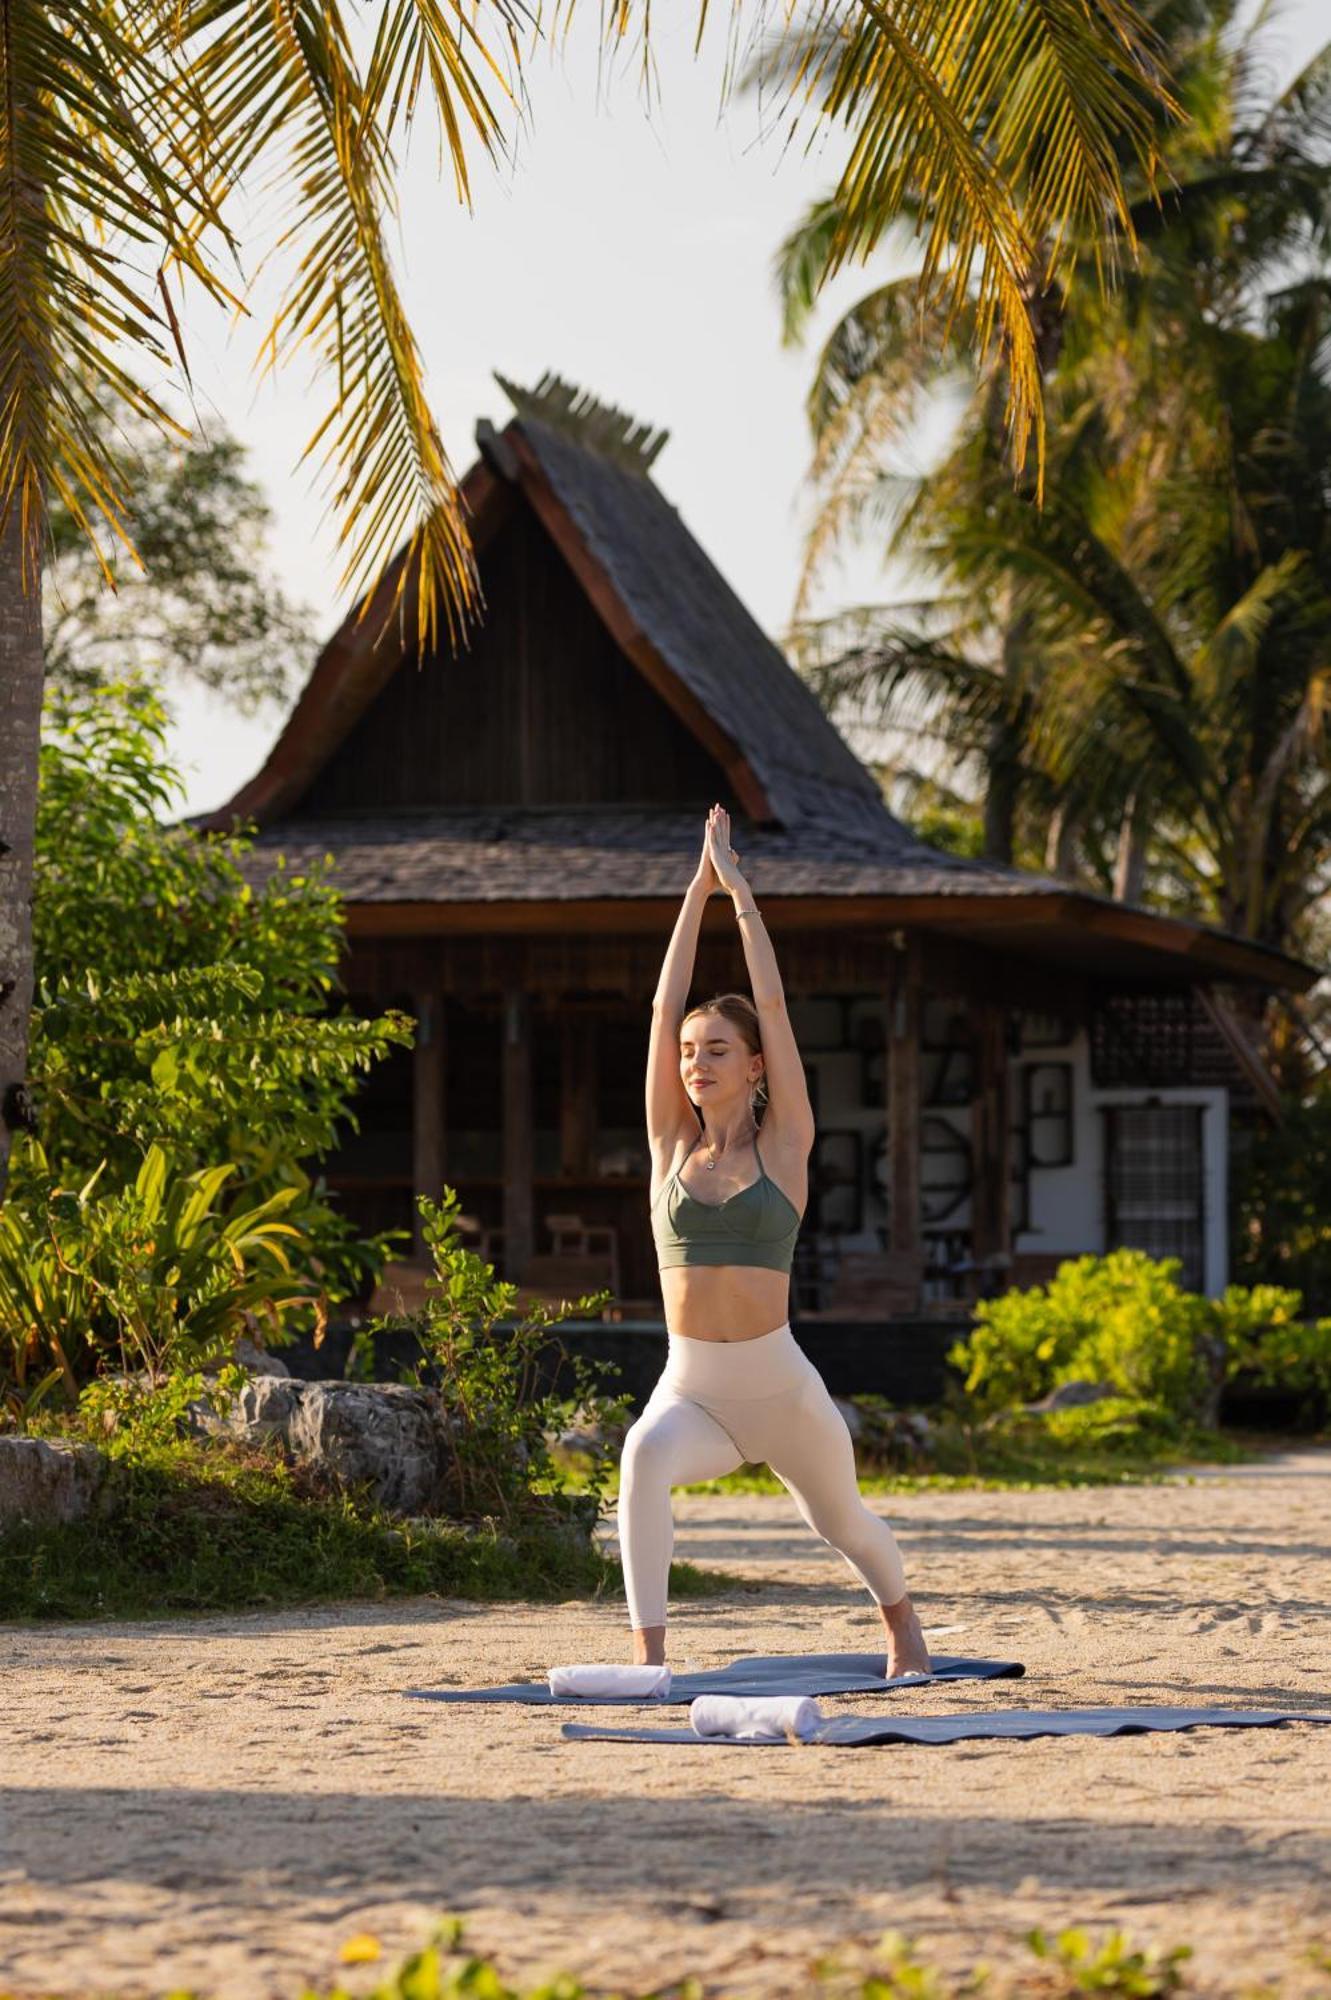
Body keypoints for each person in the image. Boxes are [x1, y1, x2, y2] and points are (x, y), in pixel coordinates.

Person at [617, 803, 932, 1677]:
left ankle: (902, 1627)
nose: (696, 1061)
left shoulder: (784, 1148)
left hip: (782, 1389)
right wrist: (693, 887)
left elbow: (775, 1004)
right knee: (641, 1456)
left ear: (752, 1066)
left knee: (841, 1523)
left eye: (716, 1049)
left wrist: (740, 891)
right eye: (690, 1051)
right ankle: (650, 1660)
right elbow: (660, 1003)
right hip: (694, 1394)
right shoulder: (668, 1149)